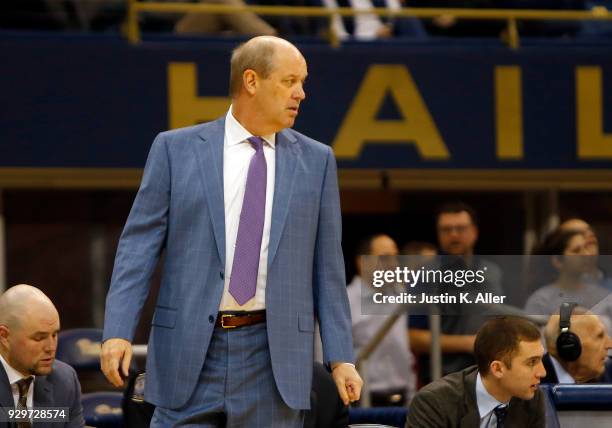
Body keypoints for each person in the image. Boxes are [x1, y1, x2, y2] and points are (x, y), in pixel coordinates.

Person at [100, 35, 362, 427]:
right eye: (290, 81)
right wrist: (118, 331)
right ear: (251, 81)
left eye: (303, 82)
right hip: (187, 351)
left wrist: (341, 357)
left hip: (273, 358)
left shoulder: (317, 160)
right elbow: (137, 249)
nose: (301, 94)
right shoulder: (175, 149)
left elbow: (328, 267)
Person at [409, 201, 502, 384]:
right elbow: (414, 338)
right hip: (442, 377)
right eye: (446, 229)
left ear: (474, 231)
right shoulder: (424, 275)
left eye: (460, 228)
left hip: (489, 374)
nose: (453, 234)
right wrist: (468, 343)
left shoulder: (492, 272)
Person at [406, 316, 546, 428]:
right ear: (497, 369)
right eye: (532, 362)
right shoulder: (435, 402)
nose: (543, 372)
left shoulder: (531, 399)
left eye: (541, 360)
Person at [0, 284, 85, 427]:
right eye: (39, 338)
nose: (51, 347)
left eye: (54, 334)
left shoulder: (64, 381)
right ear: (4, 337)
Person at [347, 234, 416, 406]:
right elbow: (324, 359)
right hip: (361, 402)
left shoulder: (402, 296)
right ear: (362, 262)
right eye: (385, 258)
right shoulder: (344, 301)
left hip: (404, 399)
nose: (393, 265)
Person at [524, 229, 612, 326]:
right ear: (557, 260)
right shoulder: (541, 300)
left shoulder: (604, 295)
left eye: (585, 248)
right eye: (576, 250)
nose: (586, 254)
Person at [542, 303, 612, 384]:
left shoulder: (607, 375)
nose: (609, 345)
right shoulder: (534, 384)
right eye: (599, 336)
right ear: (569, 345)